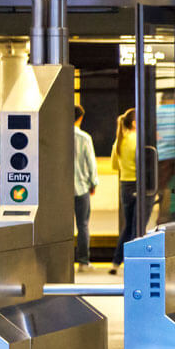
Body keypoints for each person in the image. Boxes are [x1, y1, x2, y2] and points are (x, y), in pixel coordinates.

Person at [110, 108, 139, 274]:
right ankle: (134, 263)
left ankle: (116, 262)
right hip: (138, 184)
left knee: (128, 225)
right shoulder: (138, 140)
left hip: (124, 186)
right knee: (137, 225)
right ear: (134, 123)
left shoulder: (119, 141)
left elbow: (115, 166)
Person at [73, 105, 98, 270]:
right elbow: (91, 163)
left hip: (60, 190)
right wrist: (93, 183)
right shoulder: (84, 137)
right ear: (80, 118)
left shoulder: (57, 135)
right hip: (81, 188)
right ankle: (83, 262)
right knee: (82, 225)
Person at [155, 91, 175, 225]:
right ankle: (171, 216)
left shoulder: (156, 113)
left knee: (163, 189)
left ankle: (163, 218)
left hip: (161, 156)